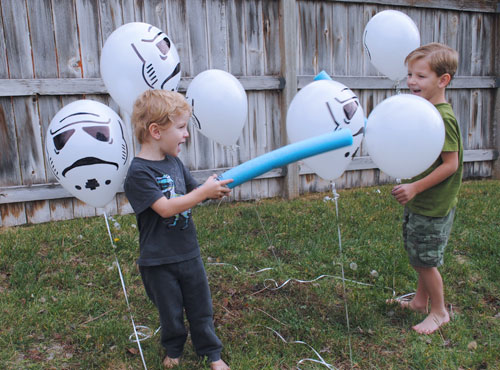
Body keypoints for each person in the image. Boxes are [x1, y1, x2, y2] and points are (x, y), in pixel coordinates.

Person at [124, 89, 232, 369]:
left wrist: (214, 190)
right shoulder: (138, 173)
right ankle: (173, 350)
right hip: (158, 261)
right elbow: (166, 208)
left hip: (188, 253)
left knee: (201, 309)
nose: (186, 134)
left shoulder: (174, 163)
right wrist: (203, 193)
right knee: (170, 313)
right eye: (181, 127)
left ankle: (212, 354)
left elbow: (194, 192)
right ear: (156, 131)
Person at [389, 42, 463, 335]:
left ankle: (439, 311)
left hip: (432, 204)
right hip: (423, 202)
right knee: (419, 255)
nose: (411, 81)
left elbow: (451, 164)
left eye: (421, 76)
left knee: (426, 262)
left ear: (443, 80)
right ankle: (420, 302)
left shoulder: (441, 117)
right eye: (409, 74)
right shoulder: (426, 111)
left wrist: (416, 187)